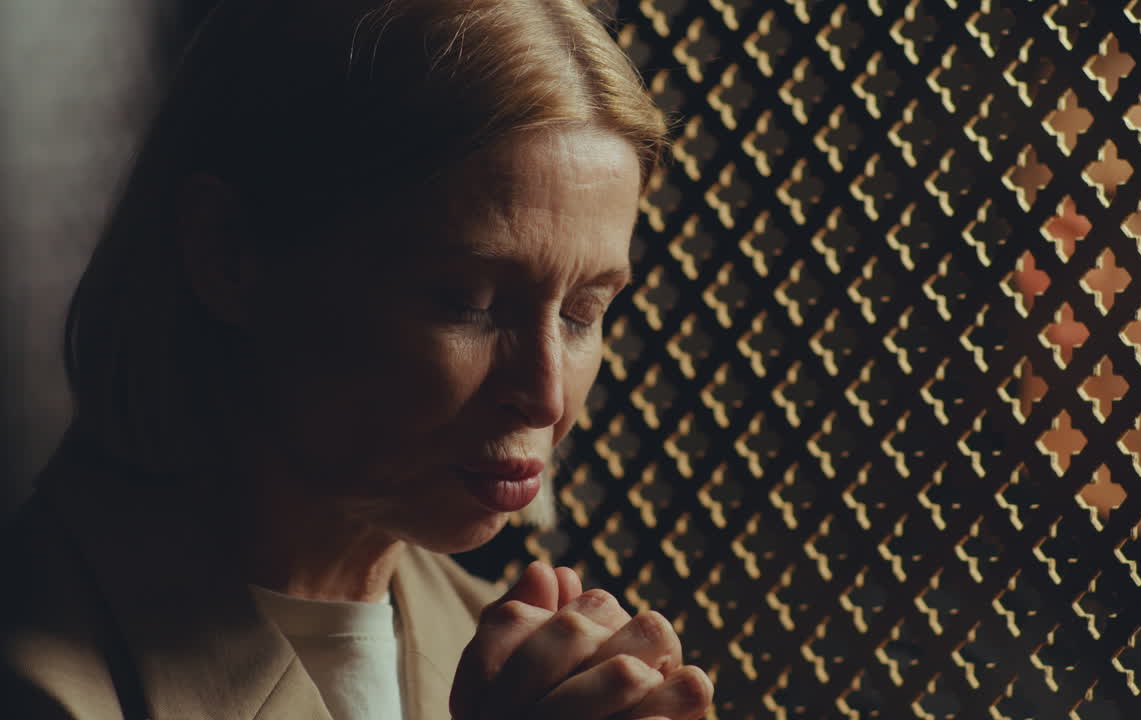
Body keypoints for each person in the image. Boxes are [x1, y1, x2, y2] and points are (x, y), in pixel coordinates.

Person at [0, 0, 714, 718]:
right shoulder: (40, 679)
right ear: (227, 254)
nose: (546, 396)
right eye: (468, 301)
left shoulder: (523, 664)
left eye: (583, 312)